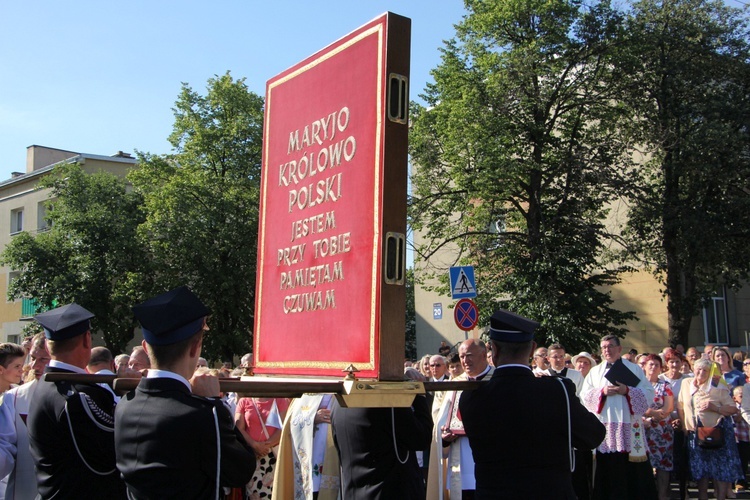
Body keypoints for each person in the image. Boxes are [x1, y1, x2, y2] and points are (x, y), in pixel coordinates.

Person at [115, 286, 255, 498]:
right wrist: (213, 402)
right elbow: (242, 469)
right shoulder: (202, 414)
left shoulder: (125, 404)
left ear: (145, 346)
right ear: (195, 347)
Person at [459, 309, 605, 499]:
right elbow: (593, 435)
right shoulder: (557, 392)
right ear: (532, 349)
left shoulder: (472, 397)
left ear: (492, 350)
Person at [27, 303, 126, 499]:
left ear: (47, 345)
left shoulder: (48, 386)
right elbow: (116, 454)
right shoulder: (78, 398)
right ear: (87, 340)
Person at [581, 335, 657, 500]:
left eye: (610, 346)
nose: (606, 350)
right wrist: (602, 392)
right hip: (607, 430)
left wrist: (627, 391)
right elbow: (584, 396)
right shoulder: (595, 372)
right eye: (603, 347)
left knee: (632, 472)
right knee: (607, 471)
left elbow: (649, 393)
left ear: (619, 349)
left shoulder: (634, 369)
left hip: (629, 427)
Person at [331, 391, 432, 499]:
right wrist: (418, 394)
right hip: (388, 493)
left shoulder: (338, 403)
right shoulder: (387, 400)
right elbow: (421, 438)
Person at [429, 339, 493, 499]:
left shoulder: (497, 380)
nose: (465, 361)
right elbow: (440, 423)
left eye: (469, 355)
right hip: (461, 461)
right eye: (462, 356)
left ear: (484, 355)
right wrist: (444, 439)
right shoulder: (455, 385)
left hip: (493, 460)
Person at [679, 358, 743, 500]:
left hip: (716, 432)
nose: (701, 373)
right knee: (700, 470)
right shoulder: (686, 383)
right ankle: (703, 497)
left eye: (705, 371)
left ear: (710, 373)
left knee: (719, 469)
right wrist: (684, 426)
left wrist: (716, 408)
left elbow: (733, 408)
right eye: (698, 369)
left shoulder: (717, 385)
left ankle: (720, 497)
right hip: (695, 433)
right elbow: (681, 405)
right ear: (693, 369)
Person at [0, 334, 51, 500]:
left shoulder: (83, 395)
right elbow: (4, 447)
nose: (34, 365)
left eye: (43, 359)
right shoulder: (14, 398)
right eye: (33, 358)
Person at [273, 393, 340, 499]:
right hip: (310, 460)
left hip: (334, 456)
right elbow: (292, 422)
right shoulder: (308, 392)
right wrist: (312, 417)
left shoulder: (343, 392)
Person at [235, 396, 289, 498]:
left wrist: (266, 446)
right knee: (253, 493)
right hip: (252, 457)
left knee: (274, 494)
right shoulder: (244, 401)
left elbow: (283, 428)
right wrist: (255, 445)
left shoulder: (280, 400)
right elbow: (239, 428)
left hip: (273, 456)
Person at [642, 354, 674, 500]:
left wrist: (651, 413)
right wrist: (647, 414)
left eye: (656, 365)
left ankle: (662, 496)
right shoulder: (638, 385)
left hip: (662, 431)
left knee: (663, 465)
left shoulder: (665, 386)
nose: (653, 367)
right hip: (641, 428)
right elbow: (633, 405)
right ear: (644, 366)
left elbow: (668, 408)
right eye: (650, 364)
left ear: (661, 368)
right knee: (643, 464)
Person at [732, 386, 749, 494]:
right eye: (741, 396)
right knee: (741, 461)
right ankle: (739, 482)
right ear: (734, 398)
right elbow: (736, 419)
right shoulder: (735, 408)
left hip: (748, 437)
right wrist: (742, 409)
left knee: (746, 461)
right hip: (740, 439)